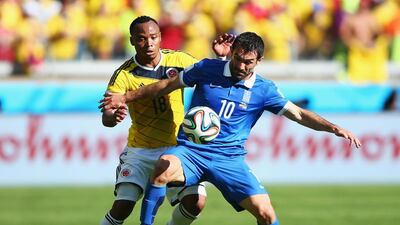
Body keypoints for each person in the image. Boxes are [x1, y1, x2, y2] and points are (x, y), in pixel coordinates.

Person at [100, 32, 362, 225]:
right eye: (238, 58)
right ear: (232, 52)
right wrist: (125, 97)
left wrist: (333, 127)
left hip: (229, 160)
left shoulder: (264, 90)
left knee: (266, 214)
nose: (241, 66)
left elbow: (298, 114)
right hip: (192, 152)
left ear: (259, 60)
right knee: (163, 166)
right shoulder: (206, 68)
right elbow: (164, 86)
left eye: (248, 62)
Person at [99, 15, 233, 225]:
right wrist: (112, 116)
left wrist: (221, 60)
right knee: (122, 208)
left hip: (177, 147)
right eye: (142, 38)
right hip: (141, 150)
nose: (149, 43)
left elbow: (212, 77)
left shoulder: (180, 61)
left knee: (195, 201)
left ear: (160, 37)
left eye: (153, 37)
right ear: (132, 40)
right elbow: (107, 117)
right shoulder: (123, 74)